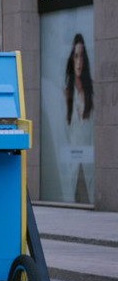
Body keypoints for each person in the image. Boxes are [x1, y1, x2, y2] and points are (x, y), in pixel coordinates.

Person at [63, 33, 94, 203]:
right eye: (76, 56)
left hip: (88, 155)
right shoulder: (67, 93)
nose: (79, 62)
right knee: (71, 190)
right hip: (71, 155)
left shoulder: (90, 92)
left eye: (82, 56)